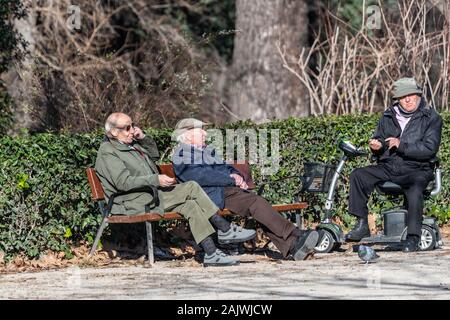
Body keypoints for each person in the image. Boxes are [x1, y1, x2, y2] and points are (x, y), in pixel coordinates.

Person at [95, 112, 256, 266]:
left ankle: (211, 253)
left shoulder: (131, 145)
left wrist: (142, 137)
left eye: (133, 125)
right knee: (192, 187)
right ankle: (225, 229)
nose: (132, 130)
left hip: (148, 195)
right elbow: (123, 182)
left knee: (191, 205)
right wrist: (155, 179)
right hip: (130, 201)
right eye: (128, 127)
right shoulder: (108, 152)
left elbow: (154, 154)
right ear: (115, 131)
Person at [171, 118, 319, 261]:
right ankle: (296, 233)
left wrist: (236, 175)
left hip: (225, 191)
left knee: (256, 207)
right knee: (256, 203)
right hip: (210, 196)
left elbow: (225, 168)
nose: (205, 134)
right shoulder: (182, 154)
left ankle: (292, 246)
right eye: (200, 131)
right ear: (188, 136)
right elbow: (200, 176)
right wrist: (231, 179)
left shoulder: (206, 151)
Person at [346, 78, 443, 252]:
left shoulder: (431, 117)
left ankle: (413, 237)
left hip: (417, 168)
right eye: (403, 96)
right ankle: (362, 224)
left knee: (414, 189)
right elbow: (381, 140)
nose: (408, 99)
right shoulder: (388, 115)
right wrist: (377, 146)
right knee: (358, 175)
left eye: (411, 95)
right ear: (397, 99)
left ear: (418, 95)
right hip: (390, 166)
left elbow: (429, 148)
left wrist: (402, 145)